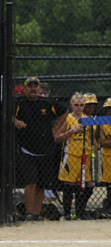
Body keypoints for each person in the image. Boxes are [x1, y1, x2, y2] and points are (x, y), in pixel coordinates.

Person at [14, 76, 67, 221]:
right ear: (25, 89)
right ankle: (29, 213)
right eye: (30, 86)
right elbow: (8, 115)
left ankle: (37, 213)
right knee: (30, 182)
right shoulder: (19, 103)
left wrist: (56, 129)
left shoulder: (47, 103)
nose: (33, 89)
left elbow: (64, 112)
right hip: (27, 149)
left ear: (39, 88)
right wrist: (16, 122)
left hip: (45, 150)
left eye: (35, 86)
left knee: (42, 184)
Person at [55, 93, 93, 220]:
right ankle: (67, 213)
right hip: (70, 155)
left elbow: (92, 138)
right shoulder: (68, 118)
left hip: (84, 155)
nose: (79, 107)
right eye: (76, 105)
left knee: (81, 185)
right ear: (72, 105)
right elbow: (57, 138)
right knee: (69, 185)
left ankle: (79, 214)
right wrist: (71, 131)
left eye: (81, 105)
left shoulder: (88, 119)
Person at [99, 97, 111, 216]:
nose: (109, 112)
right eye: (108, 110)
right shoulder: (103, 124)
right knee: (109, 185)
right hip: (107, 157)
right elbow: (103, 143)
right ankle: (108, 207)